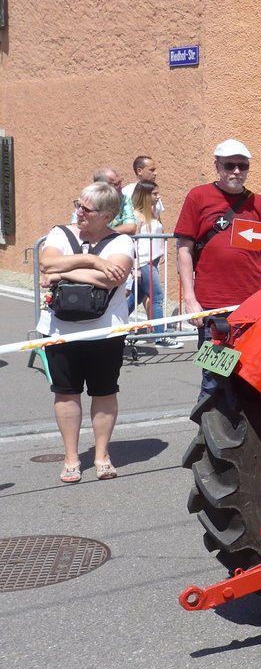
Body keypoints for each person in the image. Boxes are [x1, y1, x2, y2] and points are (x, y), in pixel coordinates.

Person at [38, 183, 134, 482]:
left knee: (104, 392)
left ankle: (102, 456)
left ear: (107, 216)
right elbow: (46, 261)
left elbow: (111, 279)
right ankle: (71, 458)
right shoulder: (59, 233)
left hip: (105, 331)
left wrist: (61, 273)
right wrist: (93, 261)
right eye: (78, 205)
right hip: (59, 329)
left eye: (86, 209)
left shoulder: (121, 242)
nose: (79, 212)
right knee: (65, 393)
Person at [175, 139, 261, 399]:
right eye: (230, 165)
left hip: (251, 307)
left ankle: (242, 425)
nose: (237, 171)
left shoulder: (259, 204)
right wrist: (190, 300)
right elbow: (184, 250)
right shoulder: (198, 196)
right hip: (213, 306)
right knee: (214, 379)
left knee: (248, 376)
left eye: (243, 166)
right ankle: (210, 425)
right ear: (217, 166)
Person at [130, 180, 182, 348]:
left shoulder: (153, 213)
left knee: (135, 298)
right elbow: (133, 243)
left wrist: (162, 252)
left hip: (153, 260)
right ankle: (161, 336)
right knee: (157, 297)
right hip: (144, 262)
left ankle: (113, 327)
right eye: (154, 194)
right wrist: (135, 267)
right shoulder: (137, 216)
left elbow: (159, 232)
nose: (158, 197)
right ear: (145, 195)